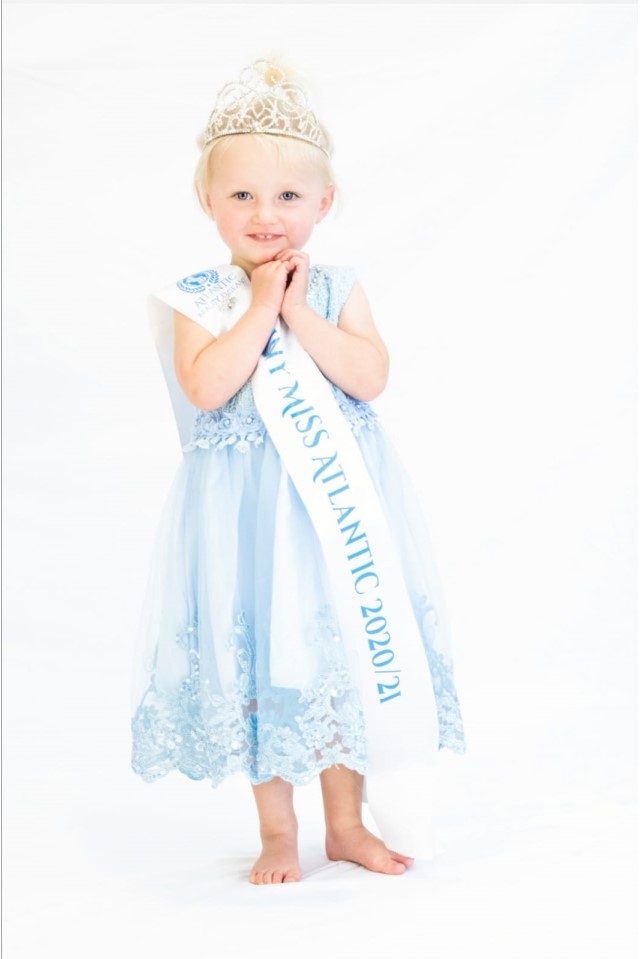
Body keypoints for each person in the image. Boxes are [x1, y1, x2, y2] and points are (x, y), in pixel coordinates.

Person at [131, 58, 465, 885]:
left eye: (286, 196)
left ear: (324, 203)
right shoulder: (197, 298)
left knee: (338, 656)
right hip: (245, 519)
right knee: (263, 668)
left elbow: (369, 377)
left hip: (331, 521)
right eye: (242, 194)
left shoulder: (338, 287)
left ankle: (345, 826)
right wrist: (257, 309)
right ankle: (278, 833)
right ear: (207, 202)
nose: (264, 214)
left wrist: (298, 315)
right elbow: (208, 388)